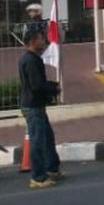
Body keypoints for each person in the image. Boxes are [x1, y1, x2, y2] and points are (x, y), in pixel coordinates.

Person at [18, 26, 62, 189]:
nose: (44, 41)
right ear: (32, 41)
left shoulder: (31, 58)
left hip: (36, 105)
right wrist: (53, 88)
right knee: (37, 141)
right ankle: (38, 177)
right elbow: (36, 86)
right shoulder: (31, 60)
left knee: (48, 137)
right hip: (33, 106)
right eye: (41, 38)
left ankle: (52, 169)